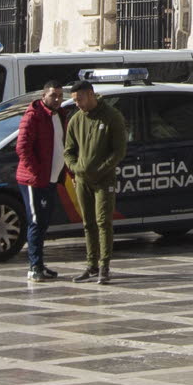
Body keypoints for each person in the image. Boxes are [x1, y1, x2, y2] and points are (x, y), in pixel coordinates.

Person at [63, 79, 130, 284]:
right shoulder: (76, 120)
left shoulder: (112, 117)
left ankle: (104, 266)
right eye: (75, 101)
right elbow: (69, 151)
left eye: (80, 99)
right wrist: (76, 168)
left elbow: (119, 151)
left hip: (104, 179)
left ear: (91, 95)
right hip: (83, 180)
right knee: (88, 223)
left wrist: (101, 169)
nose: (78, 104)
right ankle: (91, 264)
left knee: (103, 221)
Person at [14, 83, 66, 282]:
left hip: (51, 178)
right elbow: (22, 148)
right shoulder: (33, 115)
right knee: (35, 222)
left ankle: (41, 265)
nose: (57, 99)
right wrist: (36, 171)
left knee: (43, 222)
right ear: (44, 95)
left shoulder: (60, 115)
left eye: (60, 96)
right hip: (35, 180)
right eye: (53, 95)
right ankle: (34, 266)